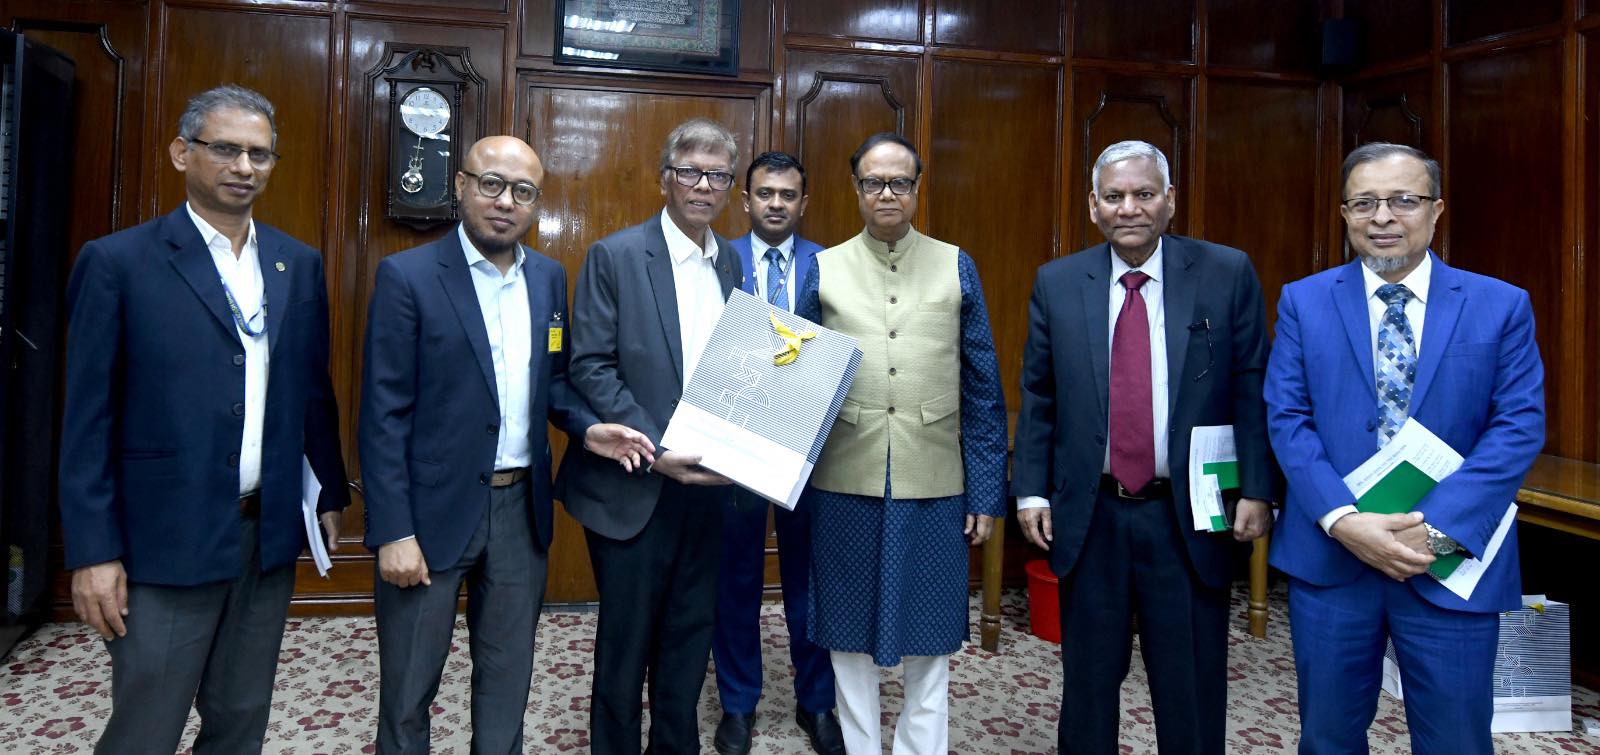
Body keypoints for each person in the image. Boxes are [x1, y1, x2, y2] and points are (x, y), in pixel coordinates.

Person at [59, 84, 350, 754]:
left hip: (264, 534)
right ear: (181, 153)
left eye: (259, 154)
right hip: (162, 538)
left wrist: (328, 492)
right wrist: (94, 551)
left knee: (241, 715)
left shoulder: (297, 263)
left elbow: (312, 389)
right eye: (225, 149)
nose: (244, 166)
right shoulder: (118, 262)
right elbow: (85, 422)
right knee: (147, 724)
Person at [359, 135, 655, 753]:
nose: (505, 202)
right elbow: (383, 413)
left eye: (522, 191)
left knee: (507, 682)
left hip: (521, 511)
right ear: (461, 186)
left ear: (535, 203)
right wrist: (393, 530)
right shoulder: (408, 276)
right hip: (429, 515)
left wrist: (587, 428)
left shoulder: (547, 278)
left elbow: (555, 382)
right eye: (491, 184)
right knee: (409, 690)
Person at [1266, 142, 1544, 754]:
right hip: (1334, 558)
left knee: (1456, 741)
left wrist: (1434, 533)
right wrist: (1345, 522)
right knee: (1328, 738)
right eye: (1365, 203)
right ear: (1345, 214)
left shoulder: (1501, 304)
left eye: (1403, 200)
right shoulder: (1303, 301)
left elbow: (1518, 427)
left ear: (1436, 209)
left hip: (1449, 561)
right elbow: (1288, 420)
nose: (1383, 217)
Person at [1011, 140, 1274, 754]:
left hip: (1188, 514)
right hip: (1092, 513)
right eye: (1114, 196)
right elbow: (1039, 394)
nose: (1129, 208)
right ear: (1093, 206)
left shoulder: (1225, 273)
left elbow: (1252, 385)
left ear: (1170, 200)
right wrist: (1030, 491)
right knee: (1088, 686)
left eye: (1144, 193)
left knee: (1191, 686)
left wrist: (1258, 489)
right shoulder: (1058, 282)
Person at [794, 132, 1007, 753]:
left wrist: (985, 492)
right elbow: (798, 383)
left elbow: (984, 388)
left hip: (934, 481)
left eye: (899, 183)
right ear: (855, 188)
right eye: (873, 182)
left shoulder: (956, 264)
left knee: (932, 637)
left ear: (917, 188)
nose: (886, 193)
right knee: (845, 635)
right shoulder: (824, 269)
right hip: (844, 481)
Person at [557, 118, 743, 755]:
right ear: (666, 179)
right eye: (690, 171)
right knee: (625, 648)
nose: (703, 185)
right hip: (634, 483)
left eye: (718, 175)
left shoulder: (730, 262)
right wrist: (658, 450)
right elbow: (591, 366)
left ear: (730, 187)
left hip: (708, 488)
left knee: (690, 637)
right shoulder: (615, 256)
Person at [711, 151, 844, 755]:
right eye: (765, 193)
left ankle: (816, 702)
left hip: (813, 449)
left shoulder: (830, 264)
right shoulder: (719, 259)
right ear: (746, 200)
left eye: (788, 195)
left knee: (809, 583)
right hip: (734, 446)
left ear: (803, 202)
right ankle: (738, 704)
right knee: (735, 579)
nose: (775, 204)